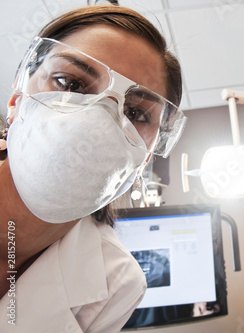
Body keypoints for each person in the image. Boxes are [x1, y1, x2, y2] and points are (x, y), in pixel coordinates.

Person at [0, 4, 186, 332]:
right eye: (71, 84)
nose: (98, 122)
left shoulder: (118, 281)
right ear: (17, 97)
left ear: (146, 157)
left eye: (136, 112)